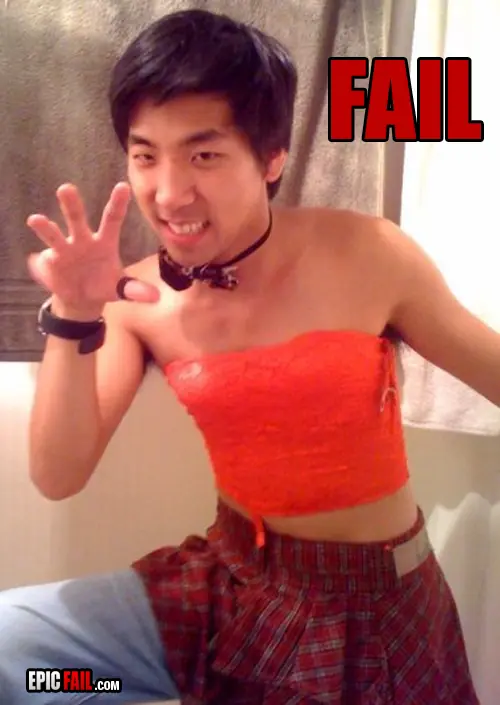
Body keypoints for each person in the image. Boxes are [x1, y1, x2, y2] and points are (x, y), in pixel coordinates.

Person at [0, 7, 490, 704]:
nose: (169, 194)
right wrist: (74, 312)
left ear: (271, 157)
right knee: (21, 660)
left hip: (374, 610)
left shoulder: (367, 253)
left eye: (203, 154)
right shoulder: (138, 298)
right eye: (146, 155)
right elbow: (57, 474)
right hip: (226, 587)